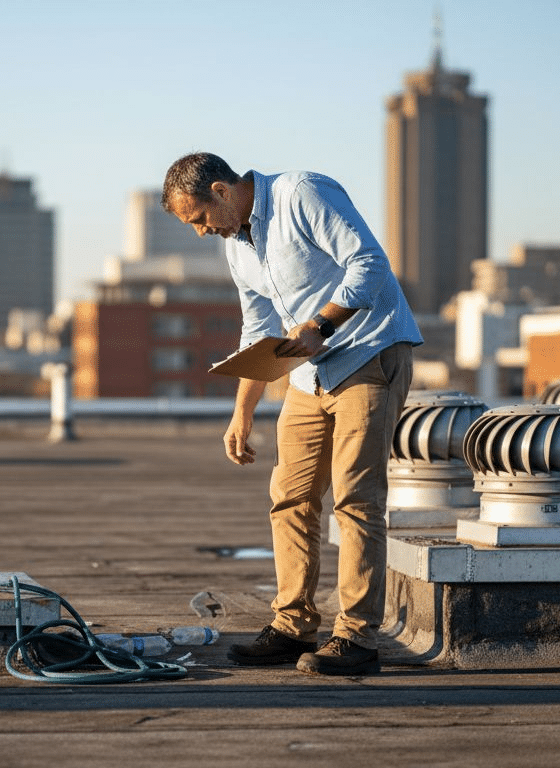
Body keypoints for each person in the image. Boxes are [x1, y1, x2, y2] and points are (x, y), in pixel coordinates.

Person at [162, 152, 422, 675]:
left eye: (197, 219)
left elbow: (370, 263)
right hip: (307, 373)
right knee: (290, 496)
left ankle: (357, 636)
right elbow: (258, 332)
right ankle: (292, 624)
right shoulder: (237, 245)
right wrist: (242, 413)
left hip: (368, 353)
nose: (199, 233)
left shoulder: (303, 193)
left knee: (356, 498)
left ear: (221, 191)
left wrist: (321, 325)